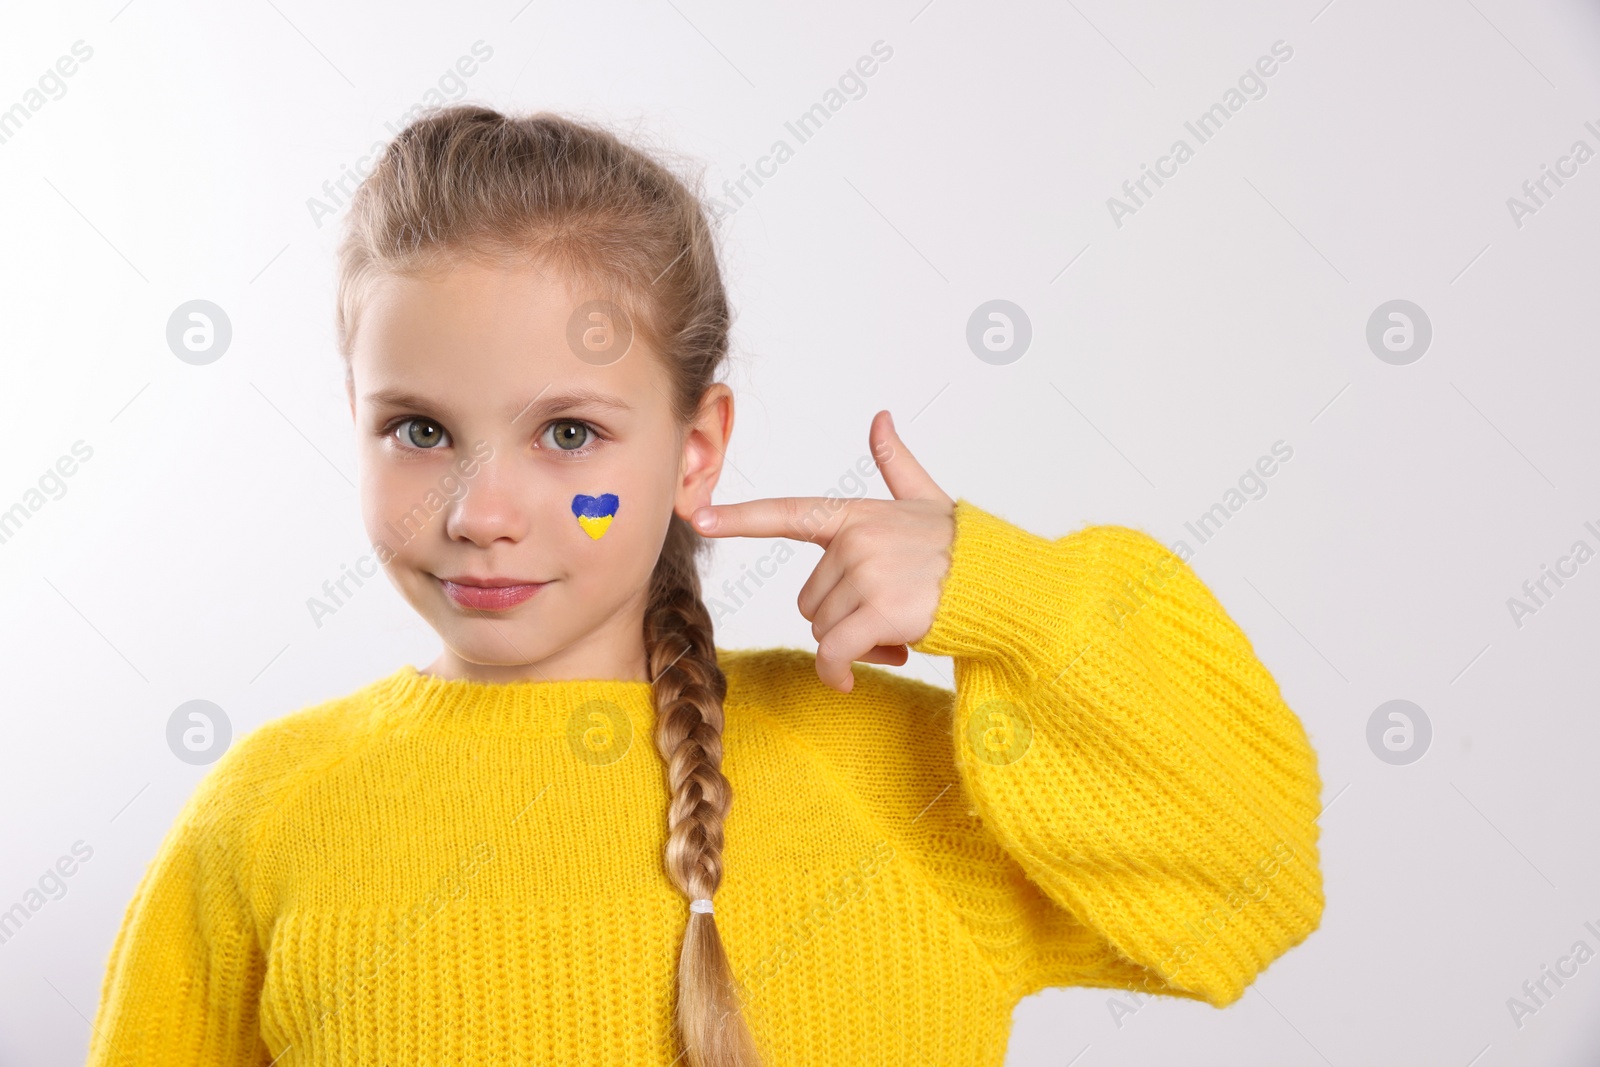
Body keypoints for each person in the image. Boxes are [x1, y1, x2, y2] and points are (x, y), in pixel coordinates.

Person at [84, 105, 1324, 1067]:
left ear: (696, 447)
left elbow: (1256, 877)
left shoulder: (900, 775)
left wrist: (1014, 597)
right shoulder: (263, 818)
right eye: (415, 429)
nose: (478, 512)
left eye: (567, 433)